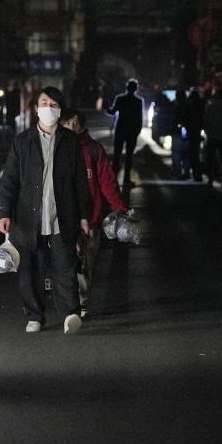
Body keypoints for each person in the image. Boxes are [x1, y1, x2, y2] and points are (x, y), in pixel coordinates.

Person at [0, 87, 91, 334]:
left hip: (62, 216)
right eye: (44, 103)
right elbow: (9, 180)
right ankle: (35, 316)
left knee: (65, 266)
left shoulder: (70, 141)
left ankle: (70, 314)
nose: (48, 108)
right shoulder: (22, 142)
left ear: (60, 109)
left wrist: (84, 215)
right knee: (31, 269)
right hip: (29, 217)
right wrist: (4, 212)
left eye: (53, 104)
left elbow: (80, 181)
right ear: (35, 108)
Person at [61, 108, 127, 317]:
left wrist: (119, 207)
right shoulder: (55, 149)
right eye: (67, 123)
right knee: (63, 261)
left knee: (85, 262)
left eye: (75, 123)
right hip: (62, 219)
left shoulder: (93, 150)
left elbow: (107, 181)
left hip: (91, 218)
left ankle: (80, 303)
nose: (71, 127)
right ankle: (69, 300)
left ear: (82, 126)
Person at [105, 79, 144, 184]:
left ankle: (113, 180)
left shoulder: (120, 99)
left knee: (117, 155)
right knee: (129, 156)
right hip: (132, 130)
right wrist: (138, 130)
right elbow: (140, 118)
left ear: (127, 88)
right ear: (136, 89)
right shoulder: (138, 101)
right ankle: (126, 179)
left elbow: (112, 112)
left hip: (121, 129)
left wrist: (106, 107)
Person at [183, 88, 205, 182]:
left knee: (192, 154)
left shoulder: (189, 107)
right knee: (196, 154)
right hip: (197, 132)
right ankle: (197, 174)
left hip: (191, 132)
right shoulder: (201, 106)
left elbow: (186, 119)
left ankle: (194, 174)